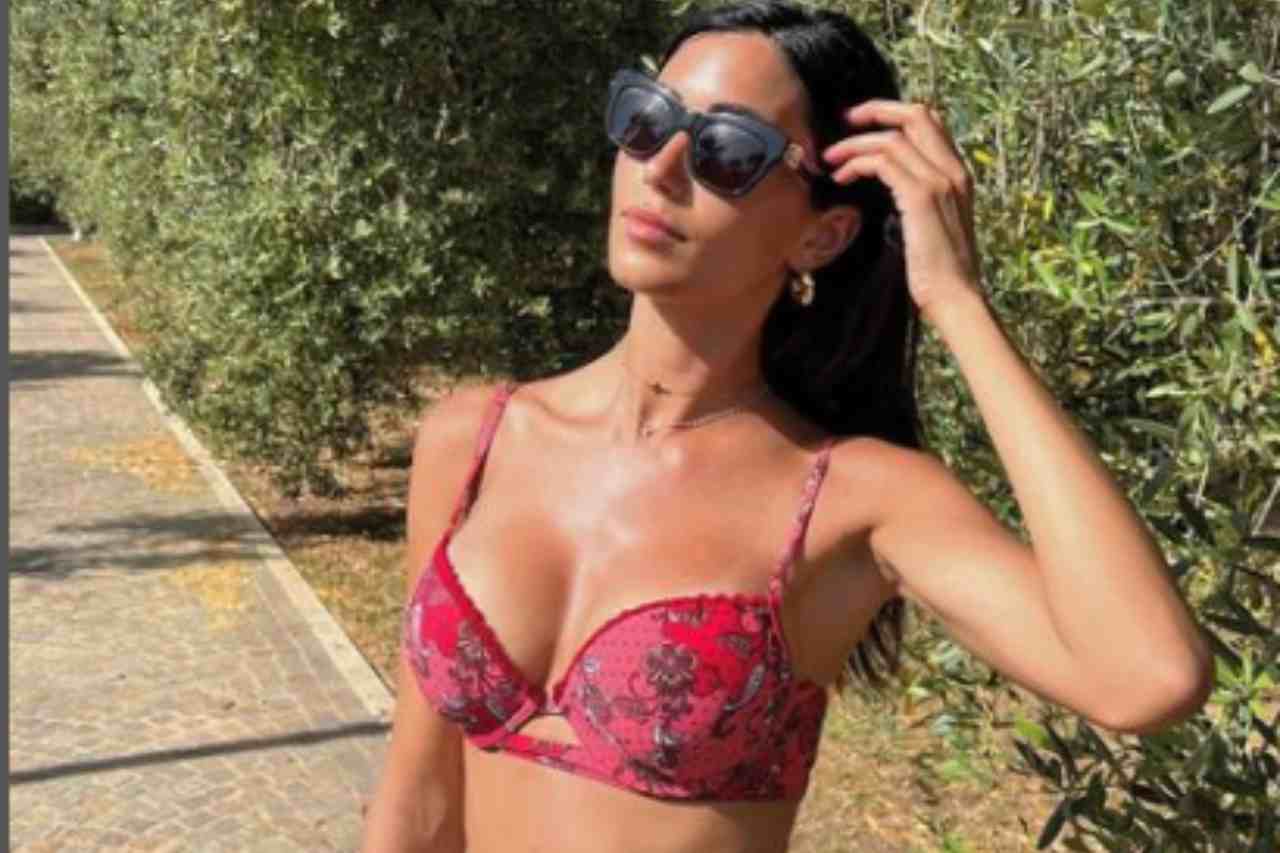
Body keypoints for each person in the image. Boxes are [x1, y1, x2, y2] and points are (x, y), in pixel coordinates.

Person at [360, 3, 1212, 850]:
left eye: (729, 150)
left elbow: (1147, 674)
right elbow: (418, 798)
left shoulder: (852, 499)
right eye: (647, 118)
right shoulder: (472, 440)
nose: (662, 167)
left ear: (823, 235)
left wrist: (957, 302)